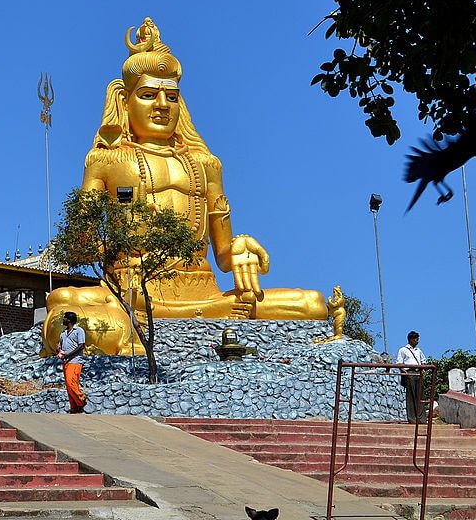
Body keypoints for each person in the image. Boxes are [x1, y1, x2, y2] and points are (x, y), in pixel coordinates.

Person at [44, 18, 327, 356]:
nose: (162, 106)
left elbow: (222, 256)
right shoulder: (106, 162)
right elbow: (81, 249)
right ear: (124, 100)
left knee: (314, 304)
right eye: (149, 95)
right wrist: (102, 241)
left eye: (172, 97)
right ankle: (203, 317)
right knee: (63, 306)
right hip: (132, 289)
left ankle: (192, 315)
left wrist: (239, 249)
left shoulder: (207, 166)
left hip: (202, 287)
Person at [56, 311, 88, 413]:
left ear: (69, 320)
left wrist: (68, 355)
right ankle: (75, 406)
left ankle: (81, 398)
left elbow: (81, 346)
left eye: (65, 318)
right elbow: (60, 346)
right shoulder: (63, 333)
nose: (63, 320)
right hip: (66, 362)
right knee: (68, 386)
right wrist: (59, 350)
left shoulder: (78, 331)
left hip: (75, 361)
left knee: (71, 383)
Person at [397, 330, 428, 423]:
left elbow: (423, 361)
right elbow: (399, 363)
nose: (417, 341)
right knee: (411, 396)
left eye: (418, 339)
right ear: (411, 339)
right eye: (416, 339)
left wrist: (423, 369)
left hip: (418, 373)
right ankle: (412, 419)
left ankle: (422, 418)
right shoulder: (403, 350)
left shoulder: (419, 350)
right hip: (409, 373)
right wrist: (404, 372)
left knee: (420, 395)